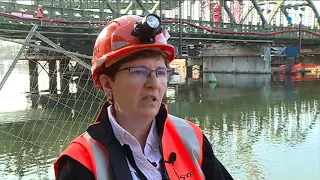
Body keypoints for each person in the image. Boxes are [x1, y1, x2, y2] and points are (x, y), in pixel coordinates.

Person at [54, 14, 233, 180]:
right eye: (139, 72)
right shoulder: (81, 162)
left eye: (161, 72)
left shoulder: (192, 138)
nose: (154, 83)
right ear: (108, 83)